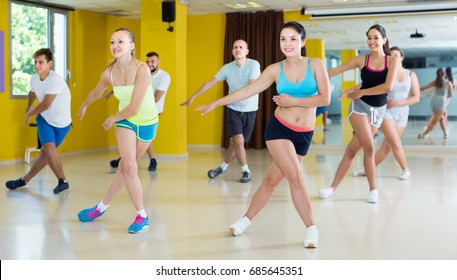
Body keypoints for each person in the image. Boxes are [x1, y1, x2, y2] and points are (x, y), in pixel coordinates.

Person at [196, 21, 331, 248]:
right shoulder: (274, 69)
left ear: (303, 41)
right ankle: (311, 228)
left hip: (304, 133)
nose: (287, 44)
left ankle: (245, 219)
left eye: (292, 39)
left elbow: (324, 99)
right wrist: (217, 102)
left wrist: (293, 101)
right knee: (296, 177)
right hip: (279, 129)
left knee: (270, 181)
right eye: (283, 39)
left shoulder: (316, 65)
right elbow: (248, 90)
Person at [76, 28, 159, 234]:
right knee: (129, 167)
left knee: (125, 167)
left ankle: (101, 207)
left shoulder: (142, 69)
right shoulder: (109, 72)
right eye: (112, 42)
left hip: (147, 121)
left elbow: (135, 106)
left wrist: (113, 118)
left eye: (121, 41)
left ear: (131, 46)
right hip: (126, 122)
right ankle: (141, 216)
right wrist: (84, 105)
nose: (115, 45)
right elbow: (97, 91)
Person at [319, 24, 400, 203]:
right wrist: (310, 72)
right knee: (370, 147)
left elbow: (387, 87)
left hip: (377, 111)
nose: (372, 41)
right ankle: (373, 189)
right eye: (369, 38)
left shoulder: (392, 61)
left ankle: (331, 188)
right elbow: (334, 70)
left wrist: (361, 90)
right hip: (359, 107)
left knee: (352, 150)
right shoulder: (362, 59)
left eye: (376, 38)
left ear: (384, 40)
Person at [180, 39, 261, 183]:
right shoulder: (227, 68)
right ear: (232, 51)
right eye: (235, 47)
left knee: (234, 144)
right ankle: (246, 171)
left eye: (241, 47)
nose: (238, 49)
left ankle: (223, 167)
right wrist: (193, 97)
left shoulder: (254, 65)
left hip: (250, 109)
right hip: (233, 108)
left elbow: (249, 89)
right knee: (238, 140)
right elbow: (211, 82)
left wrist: (216, 103)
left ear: (247, 51)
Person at [5, 48, 72, 194]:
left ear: (49, 64)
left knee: (45, 154)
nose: (37, 66)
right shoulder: (34, 79)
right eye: (35, 62)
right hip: (44, 119)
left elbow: (45, 104)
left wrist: (30, 113)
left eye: (41, 62)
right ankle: (63, 181)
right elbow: (32, 92)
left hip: (62, 124)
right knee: (48, 149)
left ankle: (24, 180)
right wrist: (29, 105)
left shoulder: (55, 80)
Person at [353, 46, 420, 180]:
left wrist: (398, 103)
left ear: (401, 57)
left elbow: (416, 97)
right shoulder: (387, 73)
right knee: (395, 141)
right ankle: (406, 169)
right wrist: (353, 89)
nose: (394, 57)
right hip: (386, 111)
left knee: (387, 146)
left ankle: (366, 169)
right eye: (391, 55)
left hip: (403, 113)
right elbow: (368, 84)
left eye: (396, 55)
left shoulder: (411, 74)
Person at [108, 52, 171, 171]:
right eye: (147, 61)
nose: (150, 64)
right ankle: (126, 160)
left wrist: (137, 97)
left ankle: (151, 160)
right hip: (134, 108)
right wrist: (112, 92)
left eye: (153, 61)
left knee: (142, 137)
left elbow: (156, 98)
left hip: (152, 110)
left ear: (158, 62)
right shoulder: (140, 71)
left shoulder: (164, 77)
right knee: (132, 137)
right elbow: (128, 87)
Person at [418, 68, 454, 139]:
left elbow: (423, 88)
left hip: (434, 101)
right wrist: (446, 96)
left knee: (440, 118)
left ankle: (445, 133)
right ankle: (424, 135)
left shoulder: (435, 82)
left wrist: (414, 90)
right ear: (445, 74)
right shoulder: (448, 83)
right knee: (435, 121)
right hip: (442, 102)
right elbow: (451, 94)